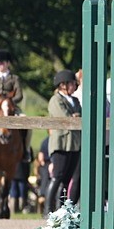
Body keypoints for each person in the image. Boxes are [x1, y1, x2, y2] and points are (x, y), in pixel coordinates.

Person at [46, 69, 82, 212]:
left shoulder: (75, 100)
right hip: (61, 143)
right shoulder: (56, 100)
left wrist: (76, 116)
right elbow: (65, 117)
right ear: (63, 85)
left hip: (74, 144)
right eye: (72, 84)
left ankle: (61, 210)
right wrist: (75, 117)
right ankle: (48, 208)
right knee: (57, 176)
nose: (74, 86)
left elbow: (79, 116)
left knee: (67, 179)